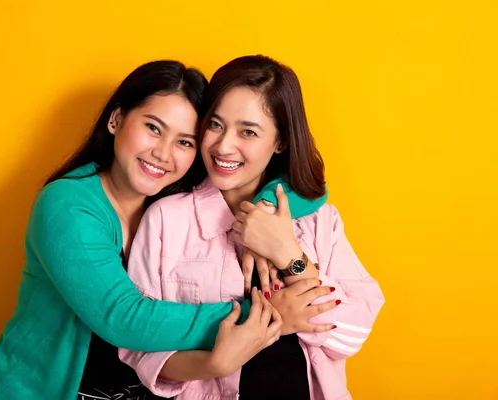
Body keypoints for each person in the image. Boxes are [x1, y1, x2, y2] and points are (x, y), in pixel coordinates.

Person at [0, 60, 336, 400]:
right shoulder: (67, 204)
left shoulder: (171, 193)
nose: (163, 152)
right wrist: (265, 315)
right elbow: (124, 317)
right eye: (153, 128)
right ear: (115, 120)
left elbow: (305, 188)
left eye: (184, 141)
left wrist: (264, 212)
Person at [120, 55, 385, 400]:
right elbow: (139, 352)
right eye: (215, 125)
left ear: (280, 142)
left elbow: (352, 334)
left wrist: (286, 252)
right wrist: (217, 361)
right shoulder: (166, 220)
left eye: (247, 131)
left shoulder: (318, 220)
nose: (223, 145)